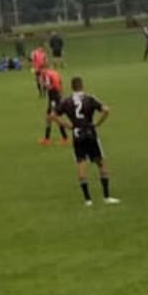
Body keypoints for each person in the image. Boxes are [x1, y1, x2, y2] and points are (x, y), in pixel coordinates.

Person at [51, 78, 119, 207]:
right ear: (82, 86)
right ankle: (107, 197)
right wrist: (97, 123)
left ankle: (88, 200)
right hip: (90, 133)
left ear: (72, 87)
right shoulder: (90, 98)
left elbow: (53, 115)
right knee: (101, 163)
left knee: (81, 164)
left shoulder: (66, 101)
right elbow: (106, 110)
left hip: (77, 135)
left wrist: (68, 126)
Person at [39, 68, 69, 146]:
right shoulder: (54, 72)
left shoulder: (46, 75)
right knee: (49, 117)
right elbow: (60, 82)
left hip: (53, 98)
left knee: (54, 117)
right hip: (56, 96)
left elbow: (49, 87)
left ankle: (64, 138)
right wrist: (61, 94)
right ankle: (47, 138)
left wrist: (42, 83)